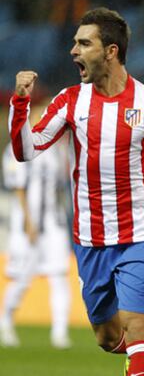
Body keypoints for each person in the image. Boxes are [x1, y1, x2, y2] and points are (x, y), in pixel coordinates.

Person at [8, 7, 144, 376]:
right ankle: (135, 355)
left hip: (141, 234)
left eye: (84, 43)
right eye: (74, 43)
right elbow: (27, 149)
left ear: (111, 51)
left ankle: (140, 353)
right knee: (106, 336)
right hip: (91, 239)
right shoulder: (70, 101)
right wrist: (20, 104)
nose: (74, 51)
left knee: (139, 327)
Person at [0, 107, 72, 349]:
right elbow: (18, 186)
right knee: (21, 278)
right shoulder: (16, 147)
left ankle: (59, 333)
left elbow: (60, 187)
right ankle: (5, 322)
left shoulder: (57, 149)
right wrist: (29, 221)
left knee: (59, 276)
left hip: (53, 221)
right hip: (26, 223)